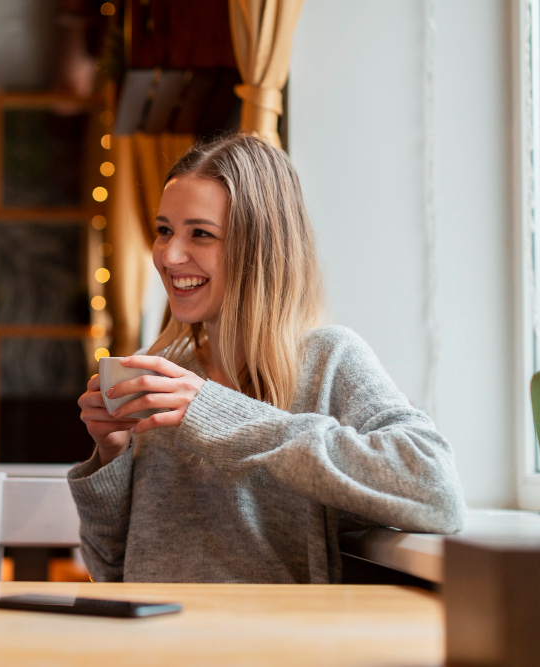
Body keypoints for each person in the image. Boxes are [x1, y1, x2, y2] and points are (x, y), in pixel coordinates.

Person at [71, 134, 465, 584]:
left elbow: (436, 491)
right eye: (164, 230)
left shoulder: (328, 360)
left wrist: (213, 413)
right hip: (156, 649)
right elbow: (110, 570)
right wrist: (111, 455)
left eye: (200, 233)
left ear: (259, 247)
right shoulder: (160, 371)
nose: (169, 254)